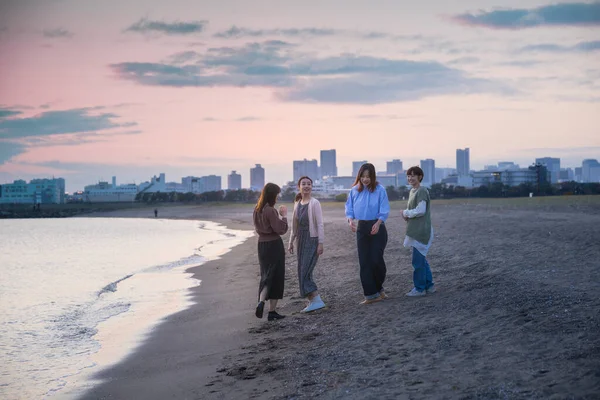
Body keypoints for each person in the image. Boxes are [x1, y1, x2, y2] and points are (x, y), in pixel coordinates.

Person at [345, 163, 390, 304]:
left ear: (373, 176)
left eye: (368, 176)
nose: (365, 179)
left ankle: (379, 288)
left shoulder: (380, 190)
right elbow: (349, 208)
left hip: (378, 227)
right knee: (364, 262)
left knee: (376, 259)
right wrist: (350, 220)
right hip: (362, 227)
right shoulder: (354, 190)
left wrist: (378, 223)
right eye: (362, 176)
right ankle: (371, 295)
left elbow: (384, 209)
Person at [288, 176, 326, 313]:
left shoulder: (315, 203)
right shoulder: (297, 203)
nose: (306, 186)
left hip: (312, 239)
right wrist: (291, 241)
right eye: (303, 184)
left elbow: (320, 224)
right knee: (301, 270)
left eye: (309, 184)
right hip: (301, 239)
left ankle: (317, 300)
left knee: (306, 270)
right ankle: (312, 300)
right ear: (299, 186)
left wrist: (320, 243)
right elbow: (294, 225)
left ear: (312, 186)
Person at [253, 183, 288, 321]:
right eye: (277, 195)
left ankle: (261, 301)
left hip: (261, 245)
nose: (278, 197)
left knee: (266, 275)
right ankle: (272, 312)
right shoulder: (270, 210)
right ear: (273, 195)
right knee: (277, 276)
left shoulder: (257, 209)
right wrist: (284, 216)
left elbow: (257, 228)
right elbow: (281, 229)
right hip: (274, 244)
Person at [402, 166, 435, 297]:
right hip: (416, 230)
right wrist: (407, 215)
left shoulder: (422, 190)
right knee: (421, 260)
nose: (410, 178)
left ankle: (420, 289)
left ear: (420, 177)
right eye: (408, 176)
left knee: (417, 261)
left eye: (413, 175)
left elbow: (421, 210)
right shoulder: (412, 191)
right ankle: (429, 285)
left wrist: (405, 212)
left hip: (422, 231)